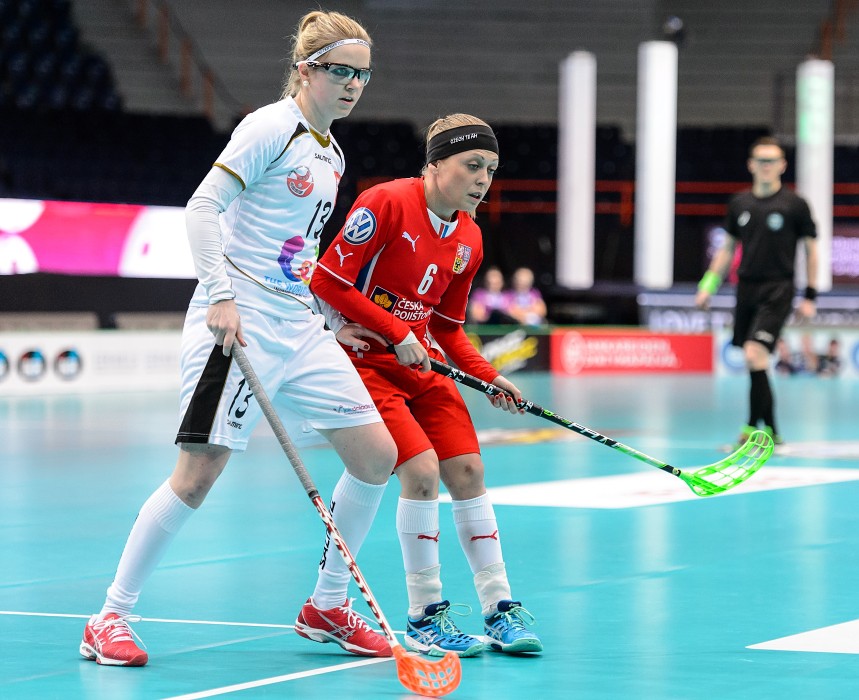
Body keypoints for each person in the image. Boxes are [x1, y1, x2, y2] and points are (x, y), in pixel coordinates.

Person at [79, 10, 400, 667]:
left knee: (375, 456)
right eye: (341, 71)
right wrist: (220, 296)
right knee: (197, 476)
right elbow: (202, 208)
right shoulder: (270, 128)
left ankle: (327, 608)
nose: (353, 85)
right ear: (306, 69)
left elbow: (297, 252)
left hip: (297, 324)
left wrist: (330, 320)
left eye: (363, 75)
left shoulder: (332, 153)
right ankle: (108, 616)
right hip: (239, 320)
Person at [311, 113, 542, 658]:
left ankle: (499, 606)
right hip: (365, 364)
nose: (484, 179)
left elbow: (447, 330)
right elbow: (327, 280)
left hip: (424, 366)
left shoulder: (470, 238)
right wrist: (395, 332)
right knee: (418, 471)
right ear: (435, 164)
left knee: (468, 470)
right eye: (473, 165)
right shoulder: (386, 203)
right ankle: (425, 615)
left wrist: (490, 379)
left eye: (491, 169)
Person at [695, 136, 818, 447]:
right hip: (746, 288)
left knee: (754, 352)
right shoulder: (739, 204)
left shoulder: (795, 205)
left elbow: (811, 251)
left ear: (782, 165)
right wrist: (708, 285)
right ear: (751, 165)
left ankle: (752, 428)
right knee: (756, 360)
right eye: (761, 160)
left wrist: (810, 296)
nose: (767, 166)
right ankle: (771, 431)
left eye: (772, 160)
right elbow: (727, 249)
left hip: (779, 287)